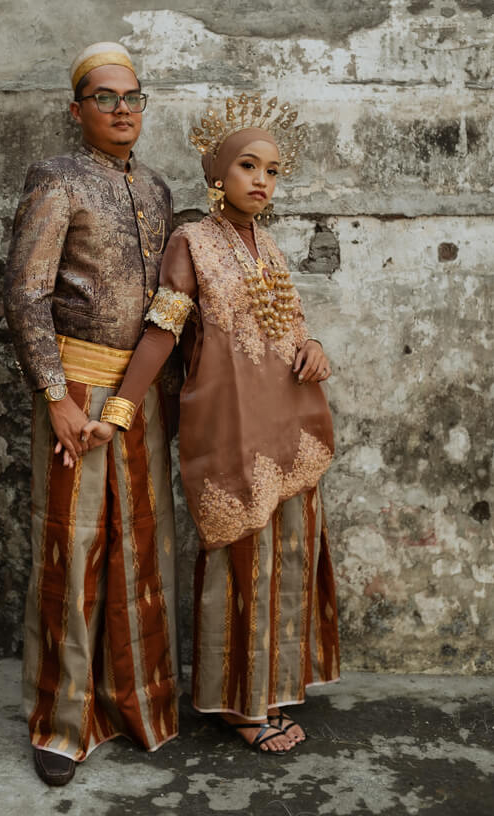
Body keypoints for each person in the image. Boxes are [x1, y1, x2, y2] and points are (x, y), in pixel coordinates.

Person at [83, 92, 340, 754]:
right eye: (248, 165)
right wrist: (118, 410)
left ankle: (273, 689)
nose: (261, 180)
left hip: (292, 422)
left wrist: (314, 347)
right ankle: (237, 705)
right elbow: (161, 333)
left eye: (273, 170)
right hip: (231, 429)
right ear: (217, 173)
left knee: (286, 557)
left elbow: (288, 328)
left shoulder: (269, 245)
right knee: (239, 560)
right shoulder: (191, 242)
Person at [4, 42, 179, 787]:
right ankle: (61, 724)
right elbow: (25, 294)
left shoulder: (159, 187)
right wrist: (55, 397)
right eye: (103, 97)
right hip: (74, 389)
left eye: (131, 96)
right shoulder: (57, 178)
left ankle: (136, 704)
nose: (121, 109)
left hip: (141, 395)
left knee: (142, 547)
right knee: (71, 553)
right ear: (76, 109)